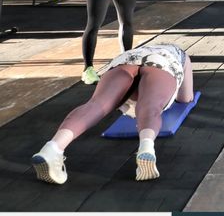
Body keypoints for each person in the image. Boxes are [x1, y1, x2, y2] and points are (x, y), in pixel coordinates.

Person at [31, 44, 193, 184]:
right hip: (162, 64)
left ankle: (53, 148)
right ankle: (146, 147)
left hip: (125, 60)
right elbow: (186, 98)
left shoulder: (144, 48)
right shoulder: (181, 54)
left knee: (96, 105)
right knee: (151, 107)